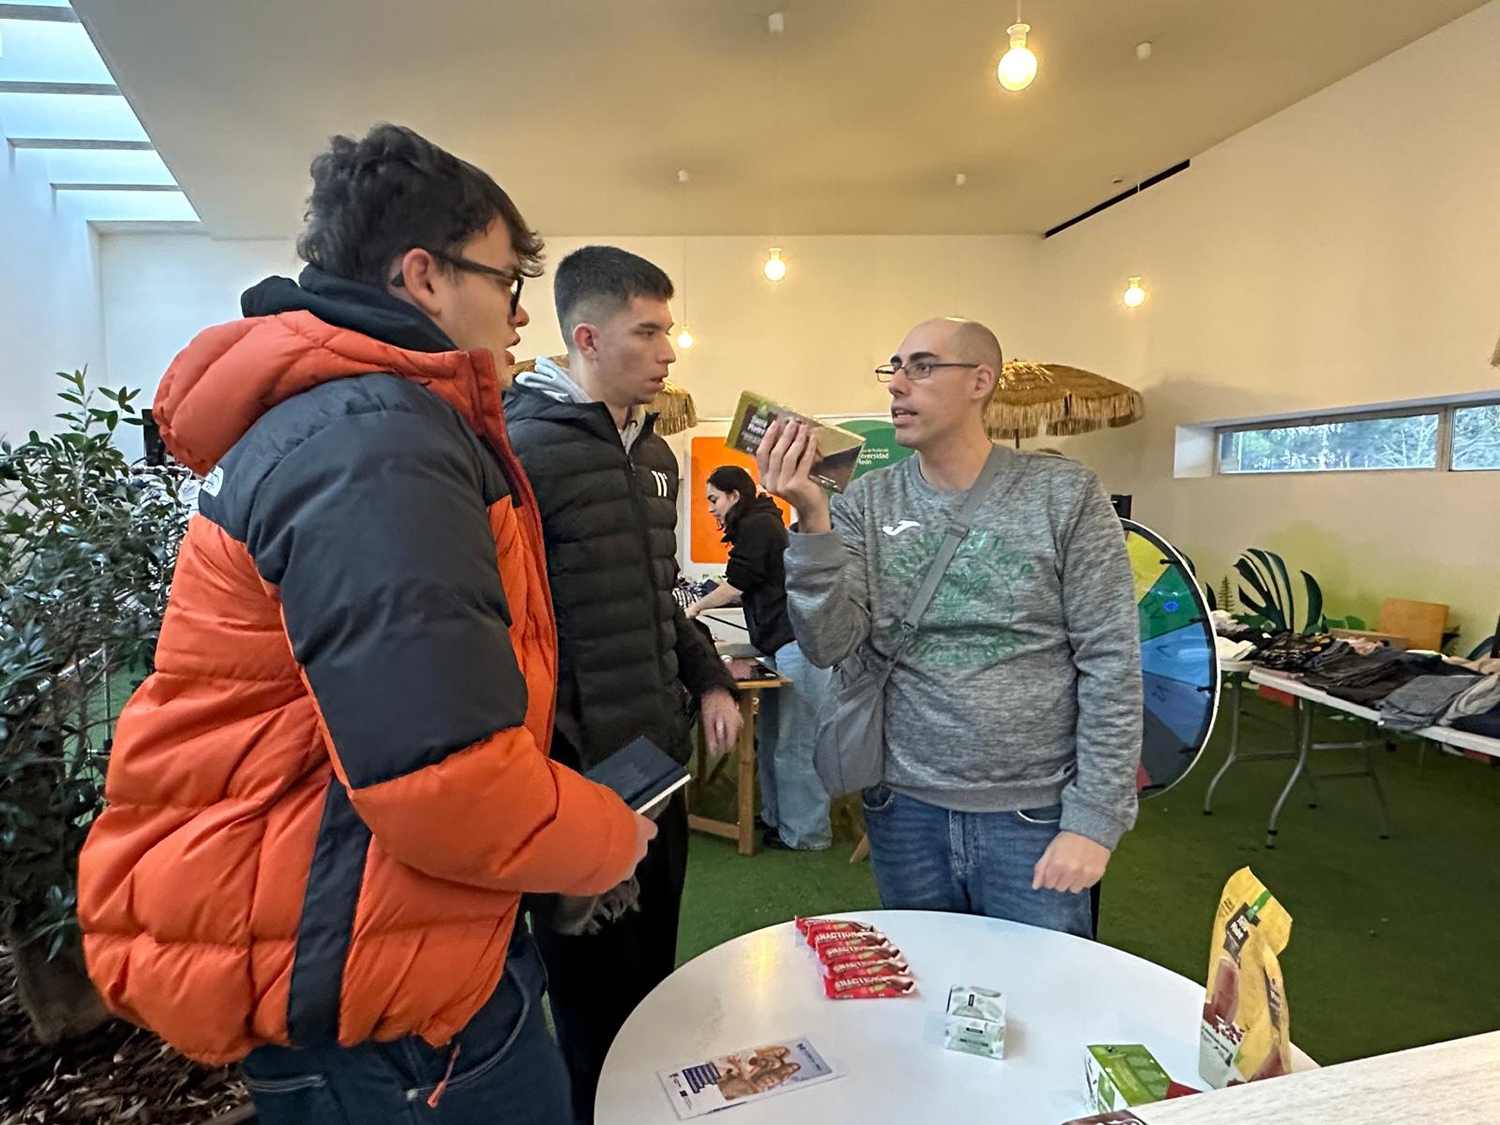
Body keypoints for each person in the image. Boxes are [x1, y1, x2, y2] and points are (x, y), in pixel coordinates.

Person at [76, 124, 656, 1125]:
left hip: (365, 933)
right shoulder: (375, 437)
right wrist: (611, 836)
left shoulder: (355, 418)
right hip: (374, 988)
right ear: (424, 276)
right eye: (509, 279)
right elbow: (446, 784)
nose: (523, 316)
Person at [755, 316, 1142, 938]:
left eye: (923, 366)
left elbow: (1112, 663)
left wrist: (1094, 818)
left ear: (980, 382)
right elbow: (826, 644)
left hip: (1034, 811)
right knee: (923, 998)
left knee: (1043, 1000)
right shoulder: (863, 501)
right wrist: (810, 519)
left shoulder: (1064, 495)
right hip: (902, 804)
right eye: (895, 368)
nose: (898, 385)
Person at [503, 246, 741, 1120]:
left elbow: (659, 598)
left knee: (655, 985)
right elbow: (506, 631)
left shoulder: (654, 458)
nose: (670, 351)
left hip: (659, 768)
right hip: (576, 786)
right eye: (650, 331)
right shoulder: (519, 453)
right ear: (590, 336)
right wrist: (560, 767)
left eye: (669, 330)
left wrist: (710, 681)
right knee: (592, 1008)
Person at [688, 465, 833, 851]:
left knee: (795, 743)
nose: (711, 509)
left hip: (798, 644)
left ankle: (806, 834)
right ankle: (777, 818)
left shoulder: (757, 527)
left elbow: (736, 582)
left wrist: (694, 608)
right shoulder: (759, 524)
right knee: (771, 739)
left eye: (714, 500)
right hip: (778, 645)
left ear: (735, 496)